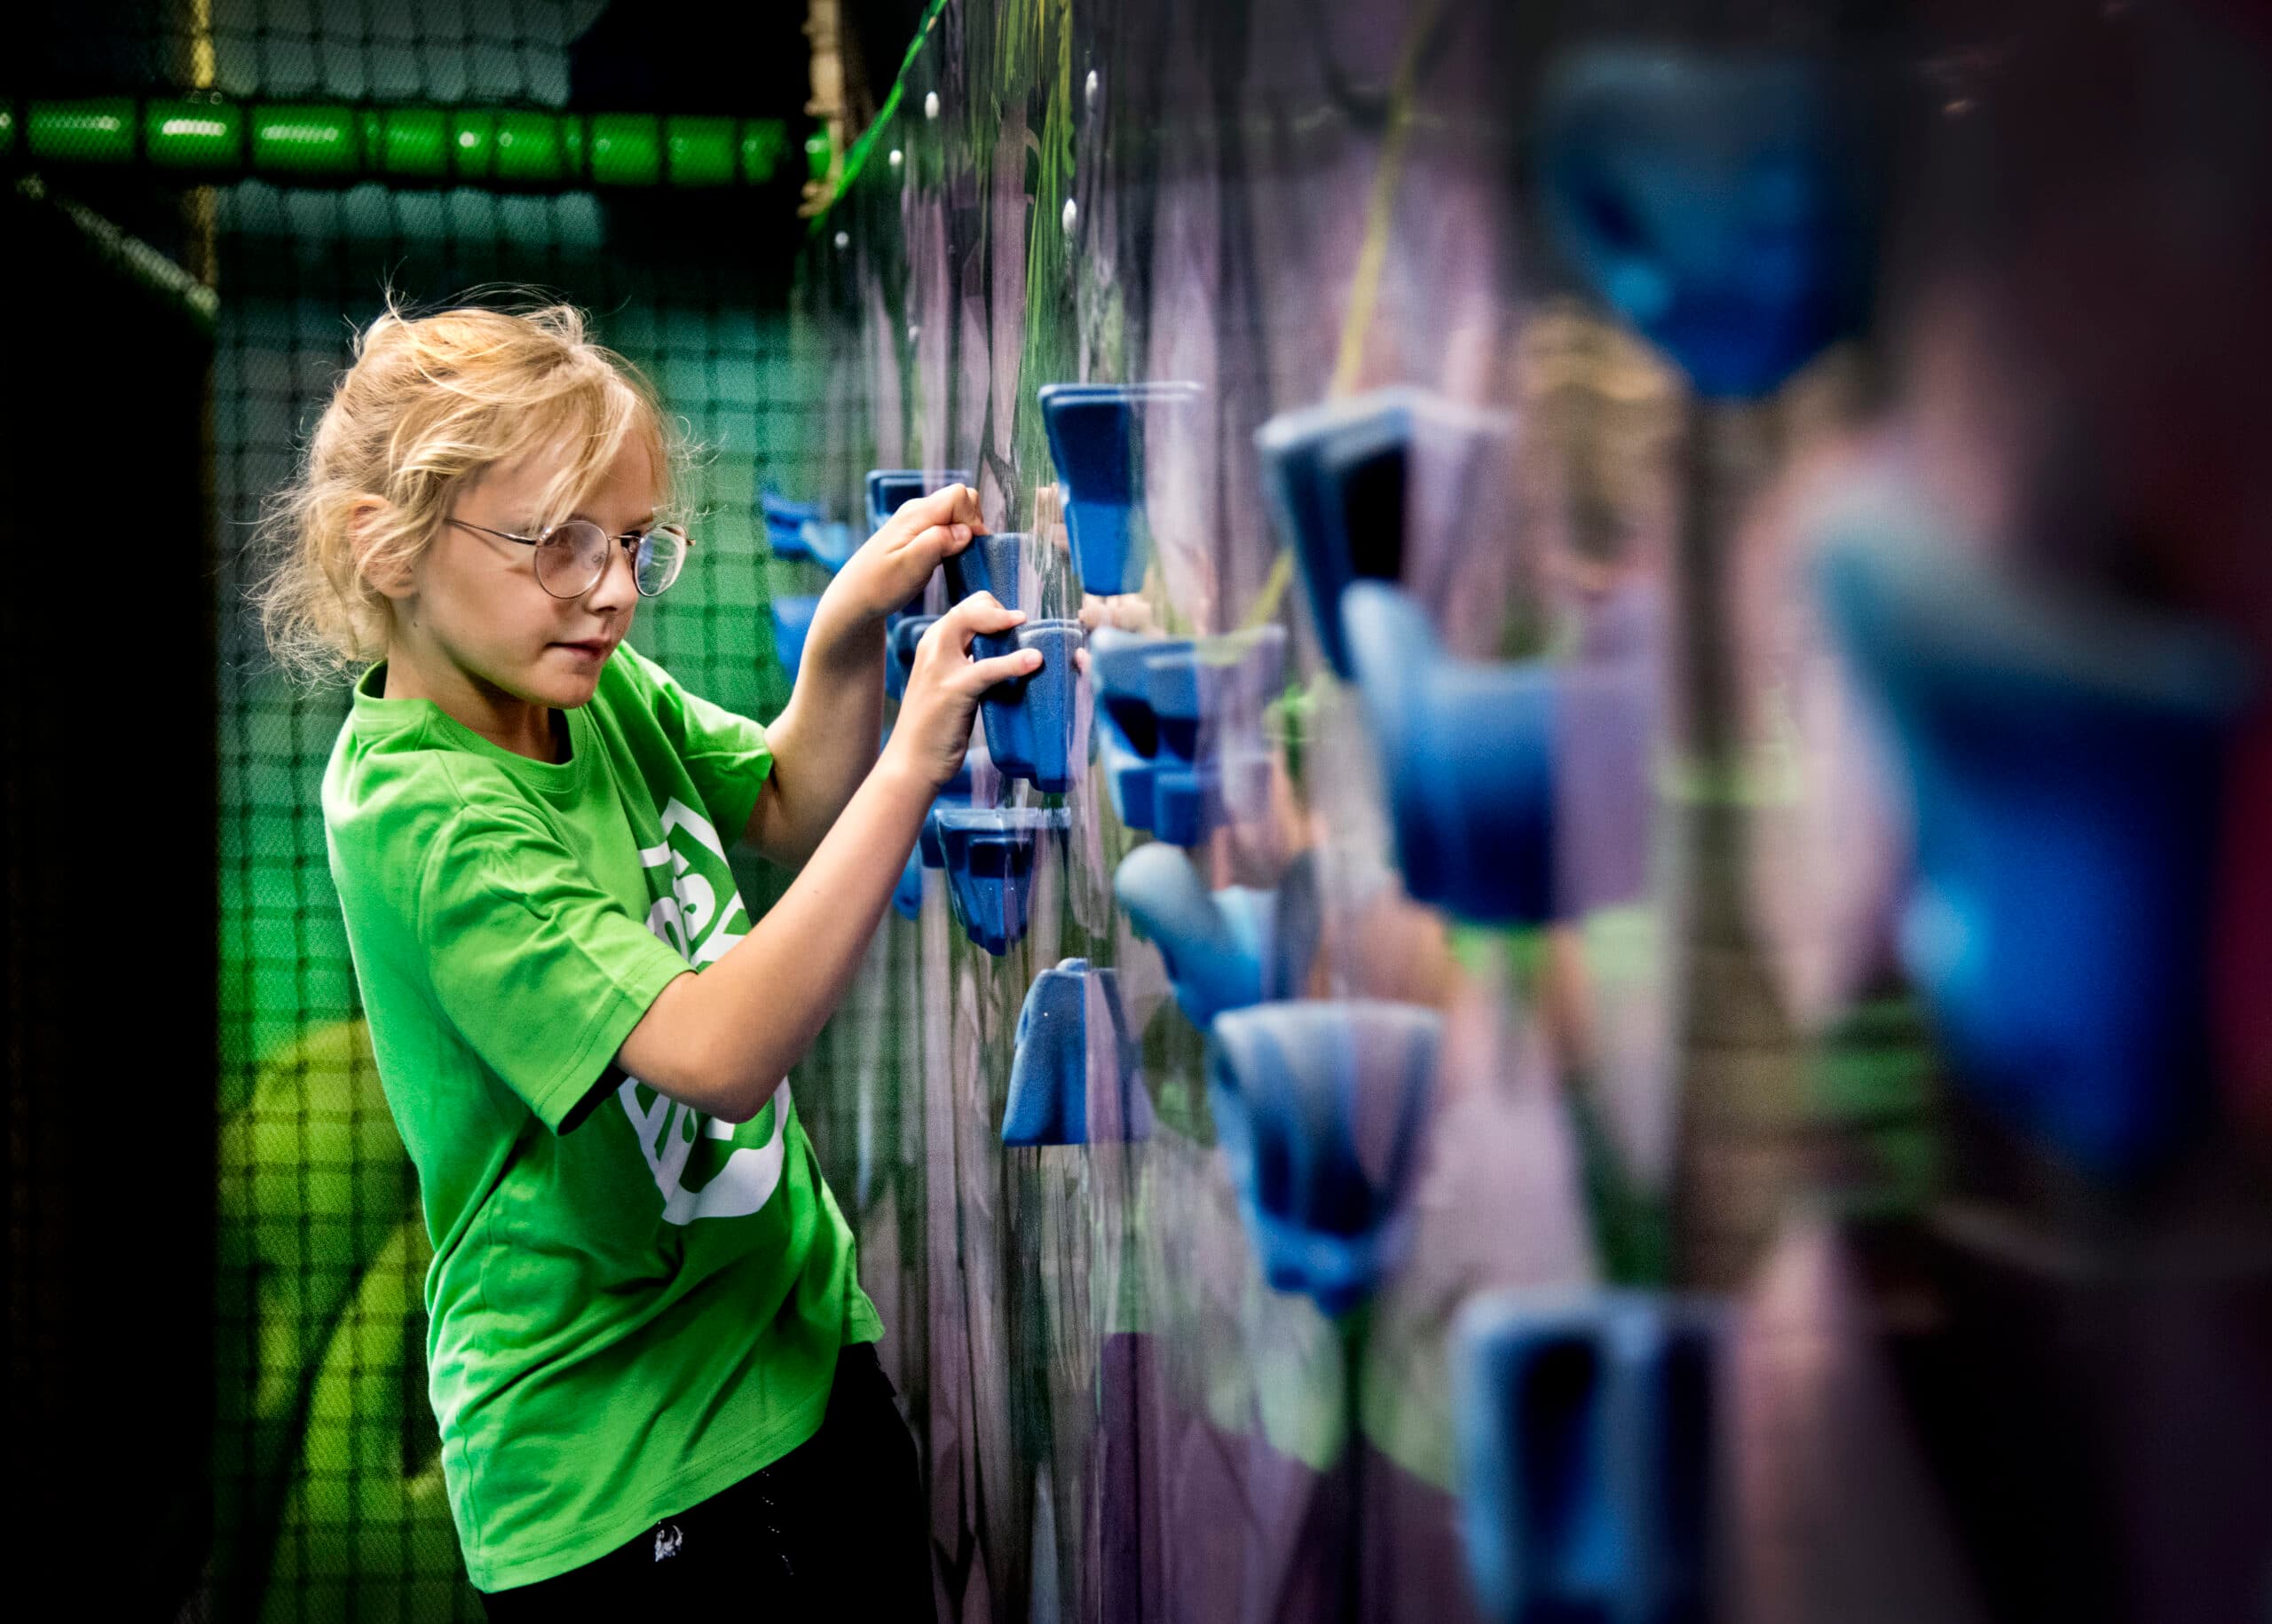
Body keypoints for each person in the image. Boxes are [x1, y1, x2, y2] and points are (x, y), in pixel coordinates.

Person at [256, 298, 1031, 1614]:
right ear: (386, 547)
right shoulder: (427, 816)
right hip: (621, 1468)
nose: (612, 590)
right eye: (557, 544)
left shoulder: (582, 683)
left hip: (794, 1357)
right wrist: (917, 757)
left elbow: (786, 797)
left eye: (629, 544)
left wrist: (849, 629)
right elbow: (718, 1051)